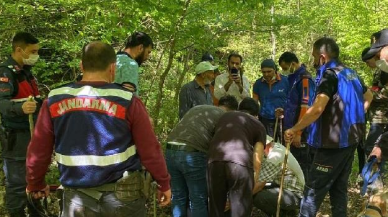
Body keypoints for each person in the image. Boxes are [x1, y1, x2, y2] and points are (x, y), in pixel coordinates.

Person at [25, 41, 171, 217]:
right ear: (112, 68)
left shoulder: (54, 100)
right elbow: (150, 149)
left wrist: (35, 183)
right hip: (123, 199)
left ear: (81, 66)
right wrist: (164, 183)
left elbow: (39, 150)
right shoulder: (127, 100)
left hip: (76, 201)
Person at [284, 37, 373, 217]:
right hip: (351, 140)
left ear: (323, 57)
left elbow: (317, 109)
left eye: (315, 56)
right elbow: (369, 95)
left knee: (313, 191)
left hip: (332, 144)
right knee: (339, 188)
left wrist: (294, 129)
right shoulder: (351, 73)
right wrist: (358, 114)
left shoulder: (329, 75)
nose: (314, 61)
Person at [166, 95, 238, 217]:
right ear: (233, 111)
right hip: (192, 152)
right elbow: (221, 147)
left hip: (170, 149)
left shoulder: (199, 108)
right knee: (198, 199)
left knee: (178, 196)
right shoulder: (224, 117)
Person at [0, 32, 41, 217]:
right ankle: (16, 213)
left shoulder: (26, 72)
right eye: (32, 51)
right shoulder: (6, 72)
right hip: (15, 135)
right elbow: (2, 103)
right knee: (17, 182)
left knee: (35, 176)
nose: (36, 55)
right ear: (19, 50)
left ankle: (35, 210)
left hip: (33, 133)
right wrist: (21, 108)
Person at [207, 97, 266, 217]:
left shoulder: (224, 117)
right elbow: (257, 160)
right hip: (240, 164)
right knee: (240, 210)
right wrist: (252, 184)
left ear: (239, 109)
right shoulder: (258, 124)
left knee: (216, 209)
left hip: (214, 162)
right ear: (256, 114)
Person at [278, 52, 315, 181]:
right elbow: (294, 103)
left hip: (301, 132)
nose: (285, 71)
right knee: (292, 163)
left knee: (302, 164)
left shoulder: (304, 79)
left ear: (292, 64)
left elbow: (306, 107)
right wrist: (284, 111)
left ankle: (306, 193)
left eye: (285, 68)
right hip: (290, 128)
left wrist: (299, 132)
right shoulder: (293, 78)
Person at [253, 136, 305, 217]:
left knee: (256, 195)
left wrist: (242, 196)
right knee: (260, 190)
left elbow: (259, 184)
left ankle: (281, 215)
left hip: (295, 195)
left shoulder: (273, 157)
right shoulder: (276, 147)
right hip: (285, 188)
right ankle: (289, 212)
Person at [253, 59, 289, 142]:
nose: (266, 74)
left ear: (275, 70)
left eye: (269, 71)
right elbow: (254, 102)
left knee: (284, 144)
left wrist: (285, 110)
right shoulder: (258, 84)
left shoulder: (286, 81)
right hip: (265, 120)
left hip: (283, 119)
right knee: (269, 146)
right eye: (264, 72)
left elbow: (291, 100)